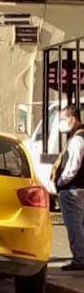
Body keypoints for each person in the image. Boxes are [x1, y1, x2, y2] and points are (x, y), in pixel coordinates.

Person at [53, 106, 84, 271]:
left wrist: (61, 182)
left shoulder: (78, 140)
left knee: (74, 225)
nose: (61, 124)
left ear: (73, 119)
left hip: (73, 189)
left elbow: (73, 166)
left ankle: (79, 259)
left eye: (63, 119)